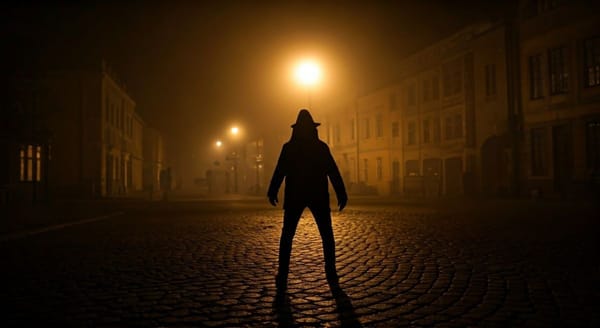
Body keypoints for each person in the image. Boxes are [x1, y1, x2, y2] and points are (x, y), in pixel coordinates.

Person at [267, 109, 348, 291]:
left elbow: (280, 170)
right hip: (318, 194)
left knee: (287, 235)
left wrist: (273, 190)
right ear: (313, 129)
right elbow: (333, 171)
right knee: (326, 234)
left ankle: (283, 271)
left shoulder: (289, 148)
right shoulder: (320, 147)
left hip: (295, 194)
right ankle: (331, 270)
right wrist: (341, 193)